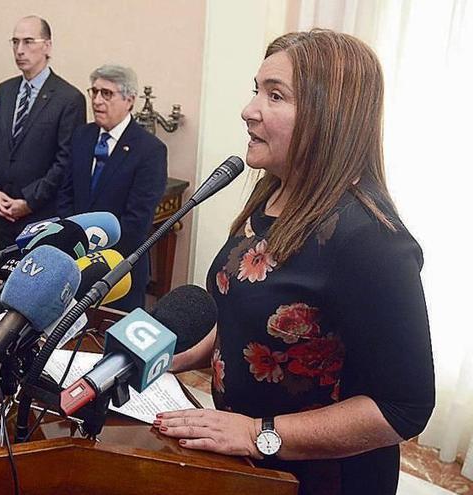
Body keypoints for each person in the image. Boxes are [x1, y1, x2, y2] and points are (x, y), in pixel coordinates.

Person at [155, 30, 435, 495]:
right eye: (256, 89)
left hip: (321, 479)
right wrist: (177, 360)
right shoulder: (273, 191)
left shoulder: (372, 242)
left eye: (275, 95)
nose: (249, 109)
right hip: (246, 467)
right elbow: (248, 317)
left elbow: (403, 408)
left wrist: (256, 433)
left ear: (330, 117)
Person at [56, 65, 167, 312]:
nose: (96, 101)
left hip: (119, 271)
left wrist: (90, 253)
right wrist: (74, 246)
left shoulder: (150, 151)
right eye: (94, 92)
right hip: (72, 264)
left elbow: (136, 223)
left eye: (106, 94)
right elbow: (65, 195)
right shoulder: (82, 136)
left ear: (129, 100)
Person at [0, 15, 85, 249]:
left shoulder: (69, 99)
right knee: (5, 281)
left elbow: (65, 161)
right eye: (15, 42)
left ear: (47, 46)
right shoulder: (6, 90)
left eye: (28, 42)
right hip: (2, 210)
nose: (20, 50)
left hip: (41, 216)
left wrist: (29, 202)